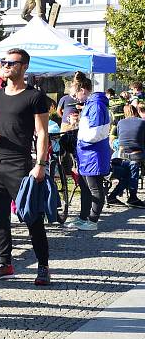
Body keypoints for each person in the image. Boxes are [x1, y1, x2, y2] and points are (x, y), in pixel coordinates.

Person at [0, 48, 51, 284]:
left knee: (31, 216)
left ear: (24, 67)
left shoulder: (34, 96)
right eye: (3, 62)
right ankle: (5, 263)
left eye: (11, 62)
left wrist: (40, 164)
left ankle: (43, 266)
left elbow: (42, 133)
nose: (6, 65)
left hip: (19, 164)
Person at [66, 71, 111, 231]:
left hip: (93, 153)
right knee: (85, 187)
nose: (75, 98)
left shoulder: (96, 105)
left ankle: (92, 220)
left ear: (82, 90)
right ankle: (84, 217)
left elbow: (97, 132)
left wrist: (81, 142)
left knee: (95, 188)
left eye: (75, 94)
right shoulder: (91, 105)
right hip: (88, 154)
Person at [108, 103, 145, 208]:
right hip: (136, 155)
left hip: (121, 155)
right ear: (136, 112)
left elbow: (120, 138)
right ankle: (132, 198)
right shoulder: (142, 122)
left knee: (127, 174)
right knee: (133, 168)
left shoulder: (120, 122)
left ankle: (113, 196)